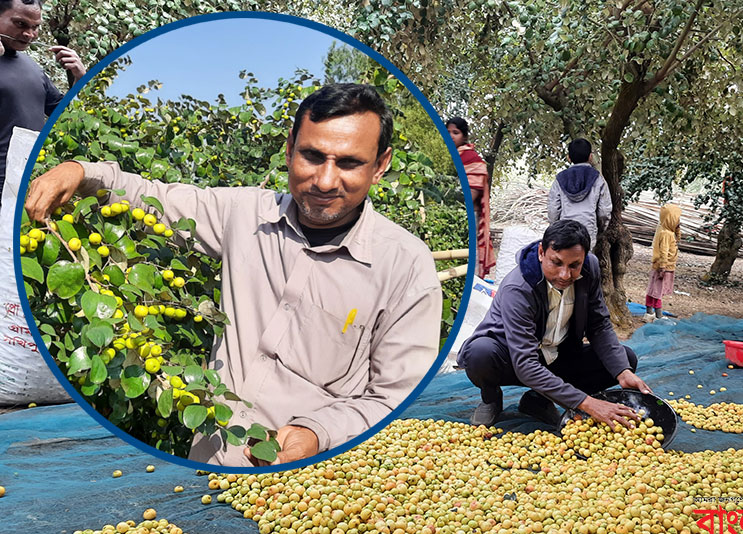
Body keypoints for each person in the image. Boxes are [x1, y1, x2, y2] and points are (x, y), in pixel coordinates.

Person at [25, 84, 442, 467]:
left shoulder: (405, 267)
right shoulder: (243, 215)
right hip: (207, 460)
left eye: (350, 163)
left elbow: (397, 398)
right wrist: (79, 171)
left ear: (380, 165)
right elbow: (151, 198)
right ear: (289, 150)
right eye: (312, 156)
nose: (326, 180)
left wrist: (318, 433)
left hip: (320, 480)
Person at [457, 219, 651, 428]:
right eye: (556, 263)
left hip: (558, 355)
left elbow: (599, 325)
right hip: (512, 359)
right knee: (479, 353)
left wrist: (622, 371)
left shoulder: (590, 268)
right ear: (542, 252)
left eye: (574, 265)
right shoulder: (519, 288)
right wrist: (588, 403)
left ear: (584, 258)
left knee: (625, 359)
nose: (564, 275)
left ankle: (537, 400)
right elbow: (526, 364)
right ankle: (491, 398)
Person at [0, 0, 86, 204]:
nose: (30, 34)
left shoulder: (33, 69)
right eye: (20, 24)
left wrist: (80, 77)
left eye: (35, 27)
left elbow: (65, 115)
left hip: (25, 185)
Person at [446, 117, 495, 278]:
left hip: (470, 216)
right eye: (448, 132)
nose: (451, 136)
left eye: (456, 133)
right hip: (453, 215)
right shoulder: (451, 157)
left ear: (465, 136)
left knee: (471, 265)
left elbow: (471, 193)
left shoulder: (472, 159)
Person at [547, 138, 613, 248]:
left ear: (568, 158)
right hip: (588, 231)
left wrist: (555, 228)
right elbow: (604, 212)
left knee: (567, 262)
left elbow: (553, 210)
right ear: (590, 157)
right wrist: (600, 228)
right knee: (585, 262)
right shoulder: (598, 179)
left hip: (564, 231)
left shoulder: (560, 179)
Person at [645, 204, 680, 319]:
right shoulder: (666, 234)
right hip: (663, 267)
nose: (678, 221)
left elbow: (678, 239)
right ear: (671, 219)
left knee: (653, 289)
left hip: (659, 265)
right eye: (676, 218)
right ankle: (658, 315)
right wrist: (663, 267)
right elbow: (664, 251)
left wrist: (678, 228)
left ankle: (649, 313)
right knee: (657, 291)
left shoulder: (664, 230)